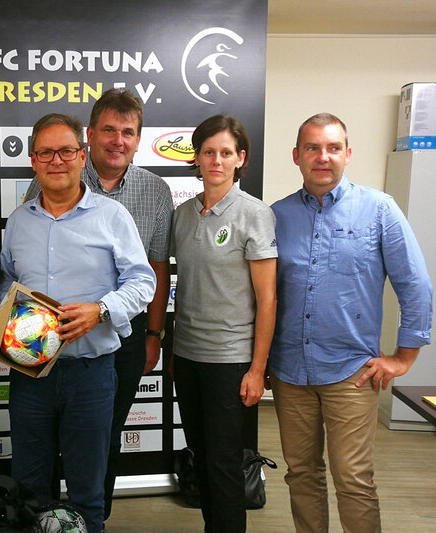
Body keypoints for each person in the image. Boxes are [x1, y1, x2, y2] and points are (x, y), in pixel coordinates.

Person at [269, 113, 433, 533]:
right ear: (297, 156)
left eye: (333, 148)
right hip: (290, 372)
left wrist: (403, 358)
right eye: (312, 148)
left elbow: (414, 283)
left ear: (348, 153)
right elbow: (264, 296)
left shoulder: (379, 209)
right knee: (301, 475)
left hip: (352, 374)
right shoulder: (277, 216)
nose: (322, 157)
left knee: (354, 481)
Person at [0, 113, 156, 533]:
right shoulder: (19, 221)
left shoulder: (112, 216)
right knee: (29, 491)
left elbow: (143, 282)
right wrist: (7, 321)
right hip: (30, 374)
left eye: (66, 151)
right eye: (46, 152)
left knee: (87, 494)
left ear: (82, 156)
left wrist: (100, 309)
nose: (57, 160)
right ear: (33, 160)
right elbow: (7, 282)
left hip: (91, 375)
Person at [170, 114, 277, 533]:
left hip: (231, 361)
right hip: (187, 356)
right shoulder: (182, 215)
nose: (217, 160)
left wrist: (257, 369)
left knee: (224, 463)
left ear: (240, 159)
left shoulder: (255, 214)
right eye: (209, 152)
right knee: (201, 457)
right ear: (196, 158)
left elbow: (267, 299)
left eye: (226, 153)